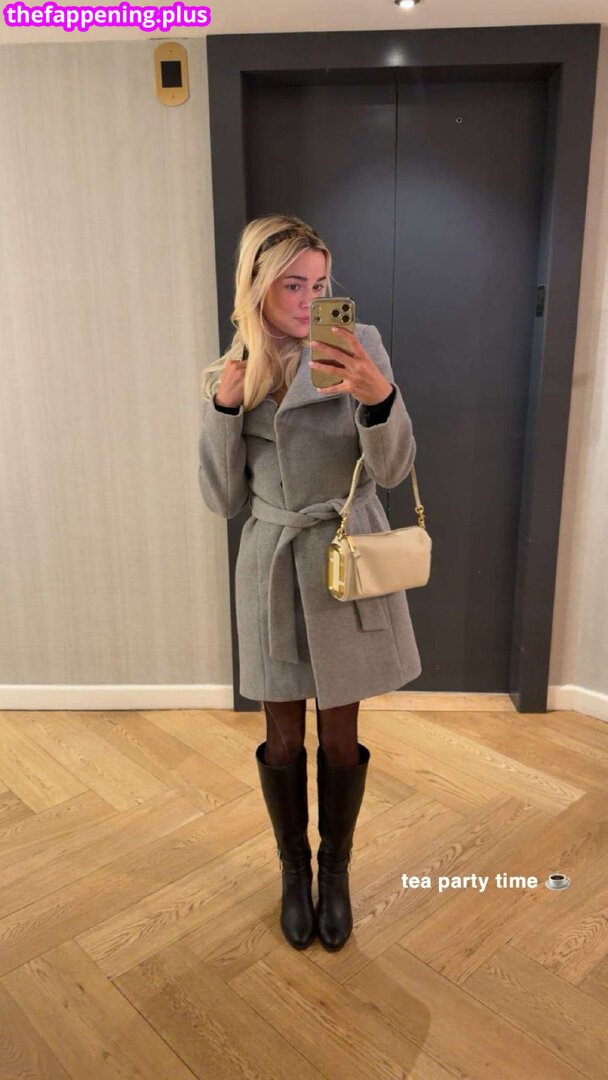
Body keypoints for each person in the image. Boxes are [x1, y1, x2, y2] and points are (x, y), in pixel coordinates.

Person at [198, 213, 422, 951]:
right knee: (283, 736)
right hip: (272, 564)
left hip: (345, 556)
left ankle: (337, 871)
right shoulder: (236, 369)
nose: (309, 300)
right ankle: (294, 873)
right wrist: (224, 409)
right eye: (293, 285)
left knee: (341, 735)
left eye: (320, 285)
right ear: (257, 287)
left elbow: (392, 471)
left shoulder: (361, 347)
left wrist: (378, 397)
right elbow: (222, 499)